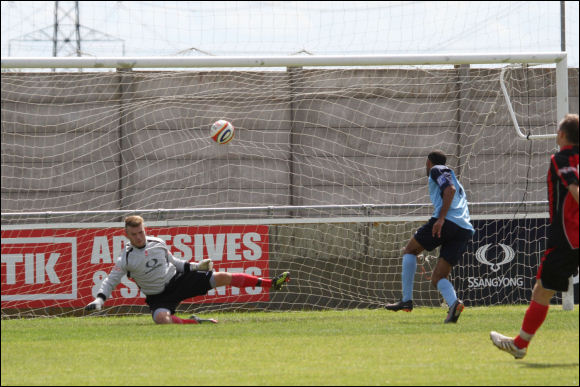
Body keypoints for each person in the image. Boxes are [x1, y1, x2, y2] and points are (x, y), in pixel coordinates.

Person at [86, 215, 290, 324]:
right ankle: (195, 322)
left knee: (224, 276)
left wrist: (196, 266)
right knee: (161, 320)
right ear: (127, 235)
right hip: (159, 297)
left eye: (141, 232)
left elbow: (174, 262)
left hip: (178, 280)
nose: (140, 237)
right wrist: (99, 300)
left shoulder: (157, 242)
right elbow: (110, 280)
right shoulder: (126, 258)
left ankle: (270, 283)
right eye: (135, 234)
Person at [491, 114, 579, 359]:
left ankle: (519, 344)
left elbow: (574, 189)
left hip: (568, 238)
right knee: (544, 289)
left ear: (562, 135)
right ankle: (519, 343)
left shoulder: (562, 158)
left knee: (543, 290)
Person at [386, 150, 475, 323]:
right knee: (438, 277)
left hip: (448, 222)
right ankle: (454, 304)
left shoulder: (437, 169)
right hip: (464, 228)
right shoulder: (453, 176)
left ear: (428, 162)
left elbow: (449, 189)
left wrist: (441, 218)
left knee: (410, 250)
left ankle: (406, 300)